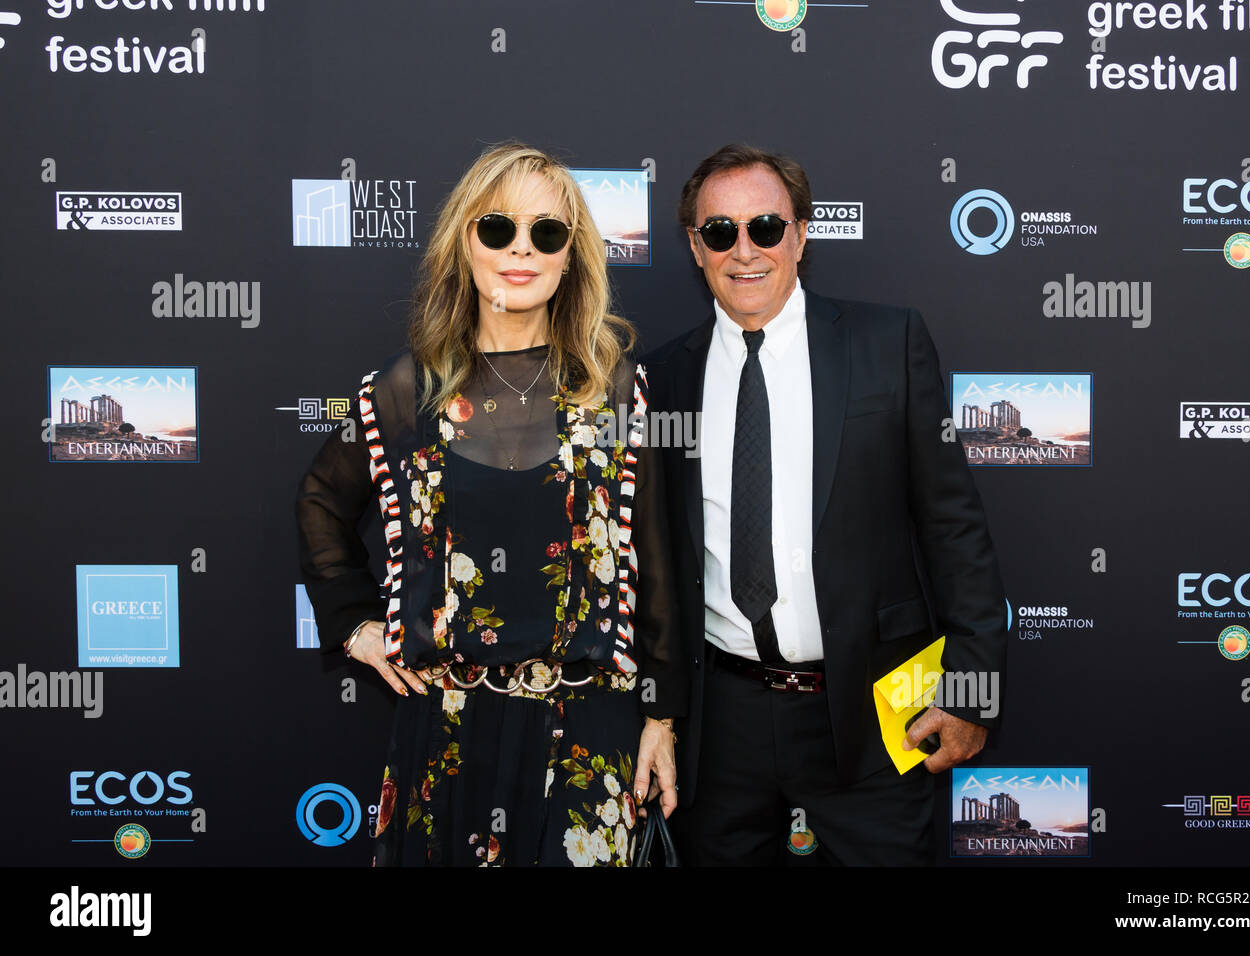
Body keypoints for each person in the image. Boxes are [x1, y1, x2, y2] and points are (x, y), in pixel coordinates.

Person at [295, 142, 683, 866]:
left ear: (572, 255)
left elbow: (653, 564)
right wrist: (354, 623)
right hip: (446, 727)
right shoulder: (406, 392)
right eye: (498, 228)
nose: (522, 250)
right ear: (463, 242)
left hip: (588, 730)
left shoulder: (617, 391)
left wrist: (660, 717)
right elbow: (320, 498)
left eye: (547, 232)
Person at [643, 143, 1007, 866]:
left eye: (766, 228)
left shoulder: (886, 344)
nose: (744, 251)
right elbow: (652, 558)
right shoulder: (662, 378)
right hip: (724, 721)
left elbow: (953, 529)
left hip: (876, 713)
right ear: (695, 245)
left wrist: (973, 689)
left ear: (801, 235)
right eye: (720, 231)